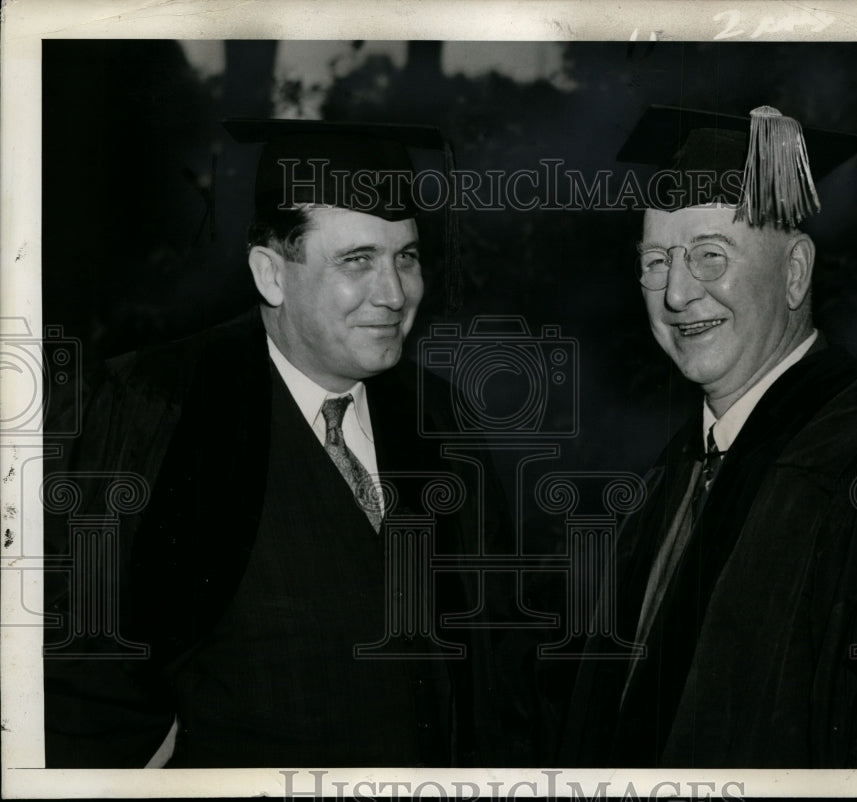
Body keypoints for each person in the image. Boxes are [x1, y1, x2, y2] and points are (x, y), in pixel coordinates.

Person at [43, 120, 519, 768]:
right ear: (271, 273)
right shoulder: (154, 410)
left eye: (405, 256)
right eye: (358, 261)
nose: (395, 293)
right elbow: (84, 693)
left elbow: (497, 668)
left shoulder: (440, 418)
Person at [560, 105, 857, 768]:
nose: (678, 294)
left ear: (796, 271)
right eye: (655, 262)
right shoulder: (679, 468)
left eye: (710, 257)